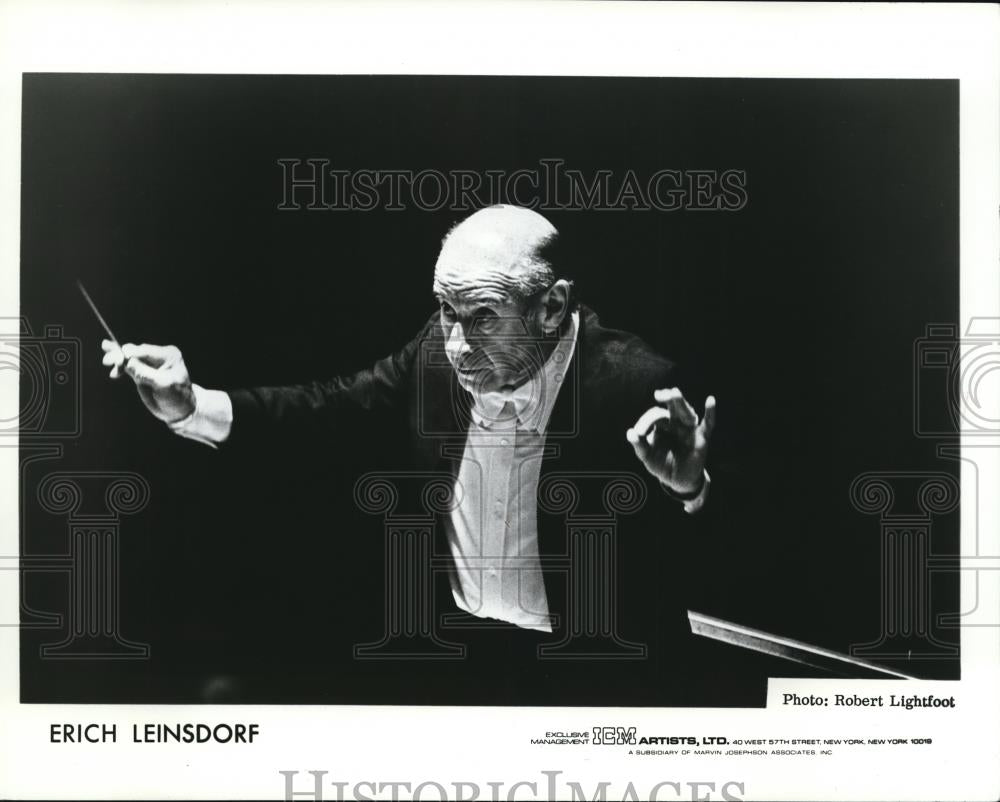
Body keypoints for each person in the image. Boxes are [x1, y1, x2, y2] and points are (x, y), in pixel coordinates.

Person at [101, 205, 719, 704]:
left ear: (552, 307)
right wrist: (191, 404)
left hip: (601, 680)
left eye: (480, 317)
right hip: (471, 660)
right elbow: (328, 411)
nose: (455, 343)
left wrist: (689, 488)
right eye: (445, 311)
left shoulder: (637, 386)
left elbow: (742, 555)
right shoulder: (435, 353)